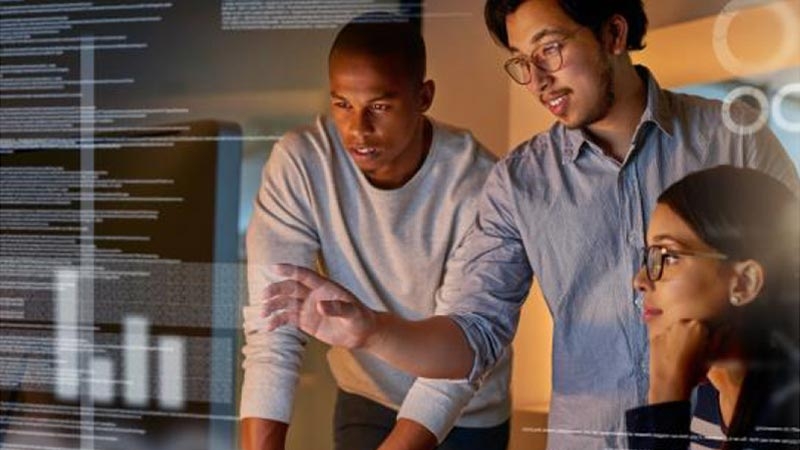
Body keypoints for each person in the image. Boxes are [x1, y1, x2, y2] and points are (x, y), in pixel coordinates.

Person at [260, 1, 799, 449]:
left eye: (550, 50)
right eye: (522, 62)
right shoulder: (518, 182)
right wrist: (372, 330)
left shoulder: (735, 139)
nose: (537, 81)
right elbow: (473, 334)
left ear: (613, 33)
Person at [239, 13, 510, 450]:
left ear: (423, 97)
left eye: (379, 107)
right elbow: (272, 335)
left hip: (467, 409)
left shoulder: (479, 185)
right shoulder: (302, 164)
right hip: (368, 395)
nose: (357, 129)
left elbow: (460, 354)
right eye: (342, 104)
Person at [626, 166, 800, 449]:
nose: (639, 280)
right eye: (650, 256)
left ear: (744, 283)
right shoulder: (710, 392)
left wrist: (664, 398)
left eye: (668, 257)